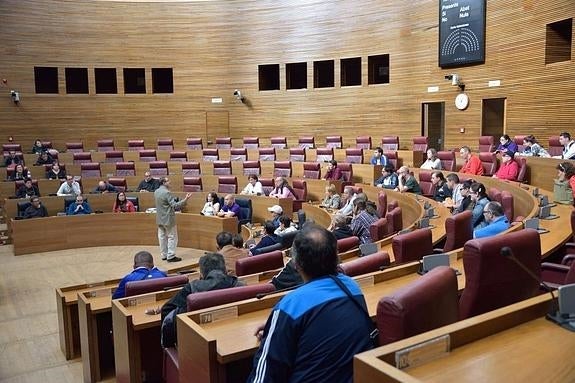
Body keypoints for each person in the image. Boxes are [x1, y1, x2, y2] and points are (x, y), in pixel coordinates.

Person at [248, 225, 374, 383]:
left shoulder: (289, 306)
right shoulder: (352, 287)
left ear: (296, 264)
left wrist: (279, 326)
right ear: (336, 257)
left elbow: (263, 378)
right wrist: (279, 325)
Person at [161, 252, 243, 347]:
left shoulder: (192, 288)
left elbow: (166, 311)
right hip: (235, 339)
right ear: (225, 270)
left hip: (196, 345)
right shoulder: (239, 285)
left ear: (202, 274)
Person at [154, 177, 192, 262]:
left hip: (160, 218)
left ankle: (164, 255)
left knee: (162, 237)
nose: (170, 182)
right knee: (172, 237)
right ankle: (170, 256)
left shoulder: (156, 191)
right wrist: (186, 199)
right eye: (168, 181)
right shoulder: (167, 193)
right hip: (168, 218)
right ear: (163, 183)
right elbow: (175, 206)